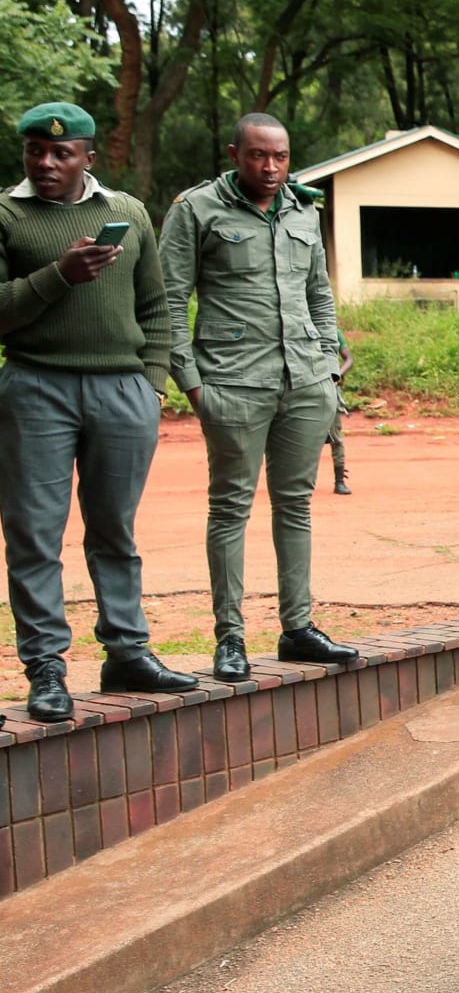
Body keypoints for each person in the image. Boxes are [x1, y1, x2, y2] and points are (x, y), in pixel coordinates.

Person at [0, 102, 198, 722]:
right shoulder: (7, 214)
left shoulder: (128, 213)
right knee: (34, 533)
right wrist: (59, 274)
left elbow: (157, 307)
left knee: (114, 528)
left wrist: (151, 384)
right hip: (36, 387)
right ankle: (47, 669)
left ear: (89, 157)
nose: (46, 162)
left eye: (62, 152)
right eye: (36, 150)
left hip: (122, 391)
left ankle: (126, 651)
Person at [161, 113, 358, 682]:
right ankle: (230, 637)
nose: (269, 168)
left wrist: (327, 368)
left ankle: (298, 627)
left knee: (295, 506)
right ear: (234, 153)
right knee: (230, 508)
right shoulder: (195, 210)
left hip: (304, 383)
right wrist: (193, 385)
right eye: (257, 156)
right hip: (231, 383)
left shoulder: (302, 210)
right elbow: (171, 302)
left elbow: (319, 293)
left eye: (280, 157)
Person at [324, 326, 353, 495]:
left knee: (335, 436)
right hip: (305, 389)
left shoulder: (333, 332)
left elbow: (348, 359)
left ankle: (339, 481)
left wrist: (337, 374)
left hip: (330, 390)